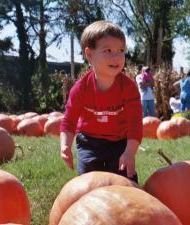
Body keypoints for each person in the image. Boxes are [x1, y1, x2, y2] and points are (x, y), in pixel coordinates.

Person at [60, 20, 142, 182]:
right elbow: (69, 121)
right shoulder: (81, 88)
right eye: (108, 50)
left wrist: (129, 152)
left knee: (125, 183)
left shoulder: (128, 87)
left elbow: (135, 124)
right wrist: (65, 145)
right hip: (89, 142)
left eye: (121, 50)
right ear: (89, 55)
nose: (116, 56)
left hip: (119, 142)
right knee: (89, 183)